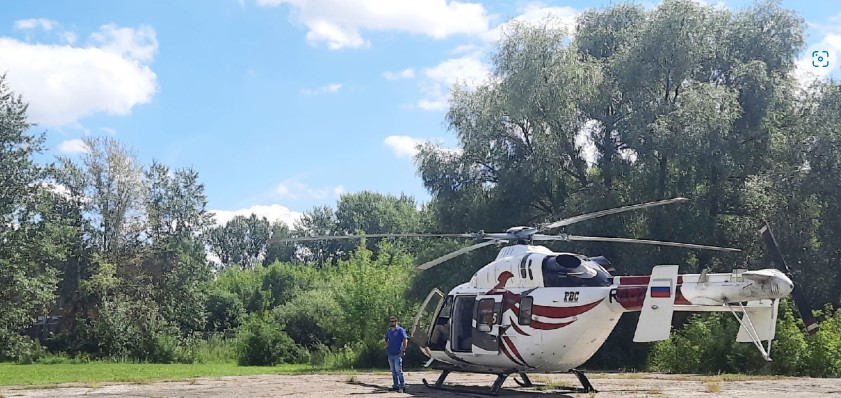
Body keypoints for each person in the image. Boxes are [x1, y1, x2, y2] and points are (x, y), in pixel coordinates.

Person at [384, 315, 408, 393]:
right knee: (393, 371)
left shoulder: (401, 330)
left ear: (396, 321)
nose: (392, 322)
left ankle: (402, 386)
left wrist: (403, 350)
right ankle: (395, 385)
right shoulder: (389, 331)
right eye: (390, 321)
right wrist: (387, 347)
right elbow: (387, 339)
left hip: (398, 353)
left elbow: (405, 340)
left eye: (393, 321)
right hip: (390, 353)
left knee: (398, 370)